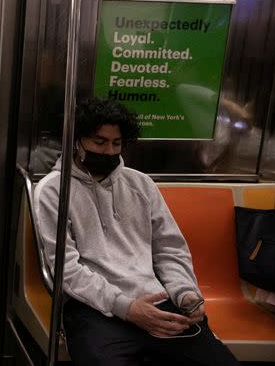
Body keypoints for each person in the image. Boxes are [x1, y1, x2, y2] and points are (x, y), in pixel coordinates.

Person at [34, 97, 240, 366]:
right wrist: (127, 308)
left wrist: (185, 293)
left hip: (157, 299)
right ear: (77, 141)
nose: (109, 151)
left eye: (116, 144)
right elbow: (66, 270)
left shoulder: (140, 184)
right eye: (99, 142)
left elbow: (169, 248)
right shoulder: (53, 191)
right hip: (94, 307)